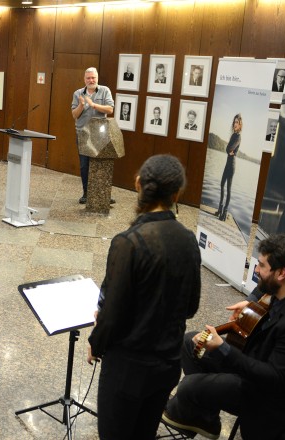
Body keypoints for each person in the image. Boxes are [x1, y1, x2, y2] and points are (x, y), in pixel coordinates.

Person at [87, 154, 201, 440]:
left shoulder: (128, 242)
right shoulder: (189, 240)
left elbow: (111, 315)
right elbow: (191, 307)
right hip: (167, 366)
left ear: (138, 184)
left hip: (128, 371)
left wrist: (96, 343)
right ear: (177, 194)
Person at [162, 233, 285, 440]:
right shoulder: (280, 292)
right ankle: (206, 419)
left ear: (281, 273)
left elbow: (275, 378)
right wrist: (251, 306)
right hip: (250, 362)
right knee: (189, 343)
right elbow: (262, 298)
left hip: (262, 393)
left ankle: (191, 406)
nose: (256, 270)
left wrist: (224, 350)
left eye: (261, 266)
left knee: (188, 387)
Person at [71, 67, 115, 204]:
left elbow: (110, 109)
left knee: (101, 165)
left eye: (93, 78)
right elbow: (74, 115)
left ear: (97, 78)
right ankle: (86, 193)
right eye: (88, 78)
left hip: (100, 134)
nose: (91, 80)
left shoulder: (105, 90)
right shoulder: (78, 93)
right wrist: (81, 105)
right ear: (84, 79)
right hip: (83, 134)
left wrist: (93, 105)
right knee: (85, 165)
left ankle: (103, 194)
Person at [214, 114, 242, 221]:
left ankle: (224, 213)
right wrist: (229, 150)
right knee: (222, 184)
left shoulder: (238, 137)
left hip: (232, 165)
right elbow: (227, 149)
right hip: (227, 163)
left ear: (240, 125)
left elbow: (230, 148)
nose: (235, 124)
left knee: (228, 189)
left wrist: (230, 150)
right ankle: (220, 209)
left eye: (237, 123)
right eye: (234, 122)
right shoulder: (233, 135)